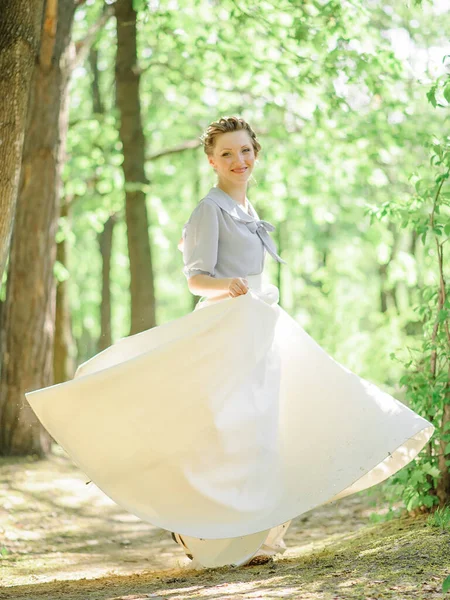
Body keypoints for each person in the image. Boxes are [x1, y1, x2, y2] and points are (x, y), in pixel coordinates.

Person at [26, 116, 435, 570]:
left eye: (245, 151)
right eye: (226, 154)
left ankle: (263, 540)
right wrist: (230, 286)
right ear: (211, 161)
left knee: (266, 432)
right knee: (228, 434)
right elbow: (197, 279)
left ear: (255, 152)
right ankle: (198, 528)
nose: (238, 160)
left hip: (258, 326)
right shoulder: (209, 208)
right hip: (226, 328)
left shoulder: (246, 208)